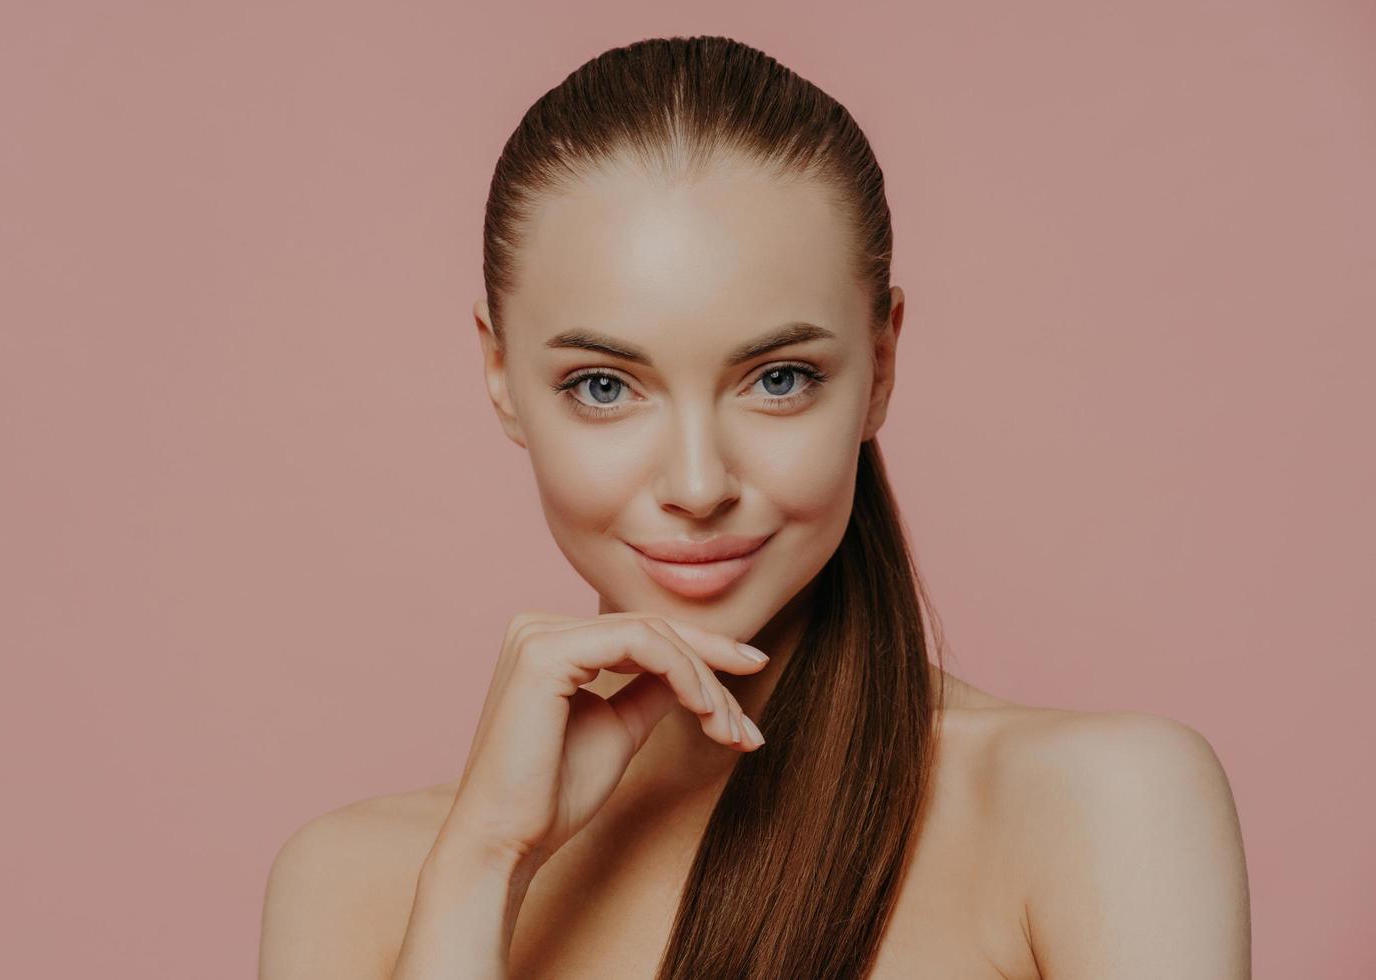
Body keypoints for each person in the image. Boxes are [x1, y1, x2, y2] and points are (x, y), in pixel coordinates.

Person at [258, 34, 1251, 979]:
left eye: (778, 377)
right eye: (604, 385)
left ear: (882, 361)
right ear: (500, 372)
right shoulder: (356, 882)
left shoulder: (1094, 807)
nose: (697, 483)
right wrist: (484, 864)